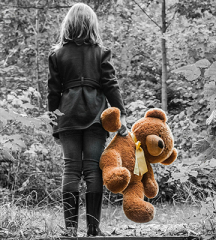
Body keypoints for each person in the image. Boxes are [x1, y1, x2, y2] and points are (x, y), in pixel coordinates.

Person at [47, 3, 127, 237]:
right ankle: (93, 229)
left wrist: (54, 122)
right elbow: (111, 85)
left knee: (71, 169)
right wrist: (119, 115)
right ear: (92, 24)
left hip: (68, 115)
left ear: (67, 24)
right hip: (95, 116)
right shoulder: (101, 52)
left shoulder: (57, 54)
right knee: (93, 169)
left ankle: (71, 231)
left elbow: (53, 92)